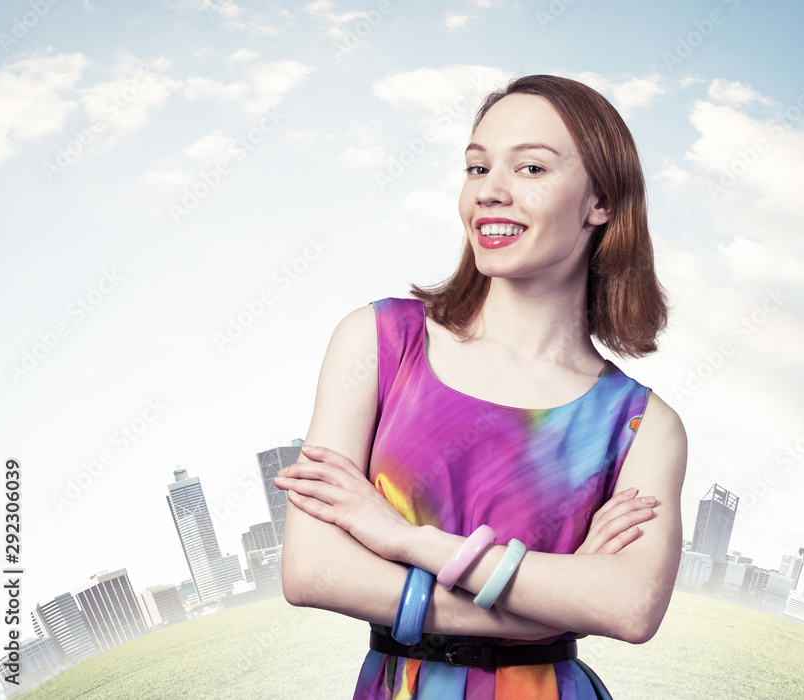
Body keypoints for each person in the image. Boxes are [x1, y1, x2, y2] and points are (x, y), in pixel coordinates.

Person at [273, 74, 687, 699]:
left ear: (599, 202)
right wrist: (559, 596)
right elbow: (312, 572)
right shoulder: (379, 341)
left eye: (530, 169)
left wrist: (407, 541)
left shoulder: (644, 425)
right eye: (476, 167)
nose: (490, 192)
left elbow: (630, 609)